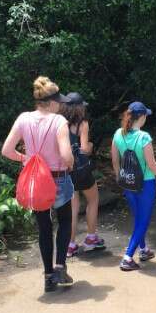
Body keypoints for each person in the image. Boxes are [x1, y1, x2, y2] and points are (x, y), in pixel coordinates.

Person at [1, 76, 75, 292]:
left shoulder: (24, 118)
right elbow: (66, 155)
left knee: (44, 227)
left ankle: (48, 277)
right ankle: (60, 266)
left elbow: (6, 150)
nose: (61, 105)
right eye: (59, 101)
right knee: (65, 221)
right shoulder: (59, 121)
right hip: (58, 178)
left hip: (35, 181)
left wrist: (25, 159)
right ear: (51, 102)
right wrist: (69, 164)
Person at [111, 102, 156, 271]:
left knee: (138, 218)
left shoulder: (118, 134)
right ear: (142, 117)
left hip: (127, 182)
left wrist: (119, 177)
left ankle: (143, 250)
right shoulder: (144, 137)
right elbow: (151, 164)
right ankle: (128, 257)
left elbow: (115, 160)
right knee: (143, 221)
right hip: (145, 184)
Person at [60, 93, 105, 257]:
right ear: (79, 107)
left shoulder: (60, 124)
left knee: (73, 208)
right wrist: (91, 145)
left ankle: (70, 245)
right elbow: (85, 148)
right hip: (82, 170)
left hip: (67, 171)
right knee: (93, 200)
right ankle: (91, 238)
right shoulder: (83, 124)